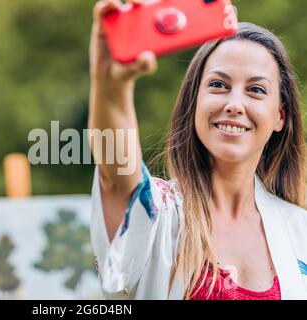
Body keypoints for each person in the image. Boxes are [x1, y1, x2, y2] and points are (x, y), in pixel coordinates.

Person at [88, 0, 307, 300]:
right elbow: (115, 173)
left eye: (256, 90)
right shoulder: (160, 214)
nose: (234, 104)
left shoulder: (301, 232)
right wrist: (111, 88)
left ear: (279, 116)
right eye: (218, 85)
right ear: (195, 102)